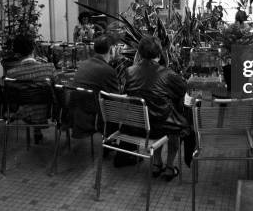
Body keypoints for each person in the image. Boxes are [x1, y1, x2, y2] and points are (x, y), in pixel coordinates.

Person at [124, 36, 188, 181]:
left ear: (139, 53)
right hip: (160, 125)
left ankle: (156, 164)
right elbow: (182, 89)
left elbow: (128, 91)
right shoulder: (167, 73)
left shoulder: (129, 71)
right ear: (159, 54)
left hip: (137, 126)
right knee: (174, 116)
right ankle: (170, 167)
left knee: (157, 114)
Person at [6, 35, 56, 144]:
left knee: (30, 99)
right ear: (33, 49)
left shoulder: (11, 74)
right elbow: (55, 89)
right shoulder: (49, 67)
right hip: (48, 111)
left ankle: (36, 131)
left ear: (16, 53)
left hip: (23, 112)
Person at [70, 35, 119, 137]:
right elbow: (115, 99)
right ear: (111, 50)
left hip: (76, 115)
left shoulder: (83, 64)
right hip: (94, 118)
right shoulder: (108, 70)